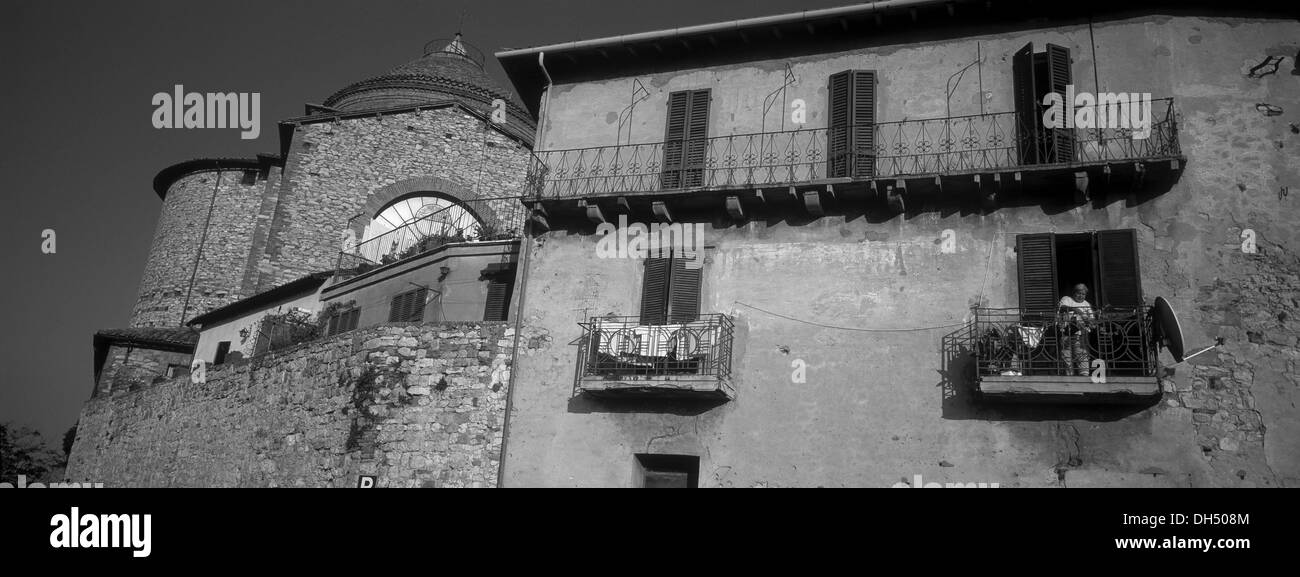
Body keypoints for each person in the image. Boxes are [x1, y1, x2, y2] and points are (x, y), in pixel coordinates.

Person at [1058, 283, 1095, 376]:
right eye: (1079, 293)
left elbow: (1092, 320)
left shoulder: (1086, 304)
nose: (1081, 296)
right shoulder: (1067, 299)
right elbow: (1062, 308)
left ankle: (1084, 377)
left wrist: (1090, 322)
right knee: (1066, 356)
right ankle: (1069, 377)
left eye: (1083, 294)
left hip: (1081, 335)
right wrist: (1076, 310)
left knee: (1082, 355)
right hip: (1066, 333)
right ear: (1074, 293)